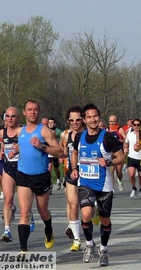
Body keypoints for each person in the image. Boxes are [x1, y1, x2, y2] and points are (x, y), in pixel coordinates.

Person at [70, 103, 124, 266]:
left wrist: (108, 161)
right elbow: (75, 153)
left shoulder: (108, 137)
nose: (93, 119)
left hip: (104, 185)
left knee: (104, 220)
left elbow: (121, 158)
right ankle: (89, 244)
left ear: (99, 117)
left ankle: (104, 249)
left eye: (95, 116)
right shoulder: (79, 137)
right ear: (85, 120)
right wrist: (74, 168)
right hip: (85, 182)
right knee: (86, 214)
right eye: (89, 117)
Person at [10, 100, 63, 255]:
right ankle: (23, 250)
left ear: (38, 112)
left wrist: (42, 146)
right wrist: (16, 151)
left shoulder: (45, 131)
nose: (32, 112)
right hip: (23, 176)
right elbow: (24, 146)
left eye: (35, 110)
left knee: (43, 211)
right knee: (24, 212)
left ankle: (48, 229)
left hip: (41, 176)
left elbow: (59, 151)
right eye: (29, 109)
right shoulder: (20, 131)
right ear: (24, 112)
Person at [60, 106, 85, 251]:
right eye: (71, 120)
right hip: (71, 172)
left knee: (87, 207)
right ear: (68, 121)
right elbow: (64, 152)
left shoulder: (89, 134)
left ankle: (93, 212)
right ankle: (76, 239)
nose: (75, 123)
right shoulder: (65, 135)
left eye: (78, 120)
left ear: (82, 120)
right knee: (73, 203)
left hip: (88, 172)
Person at [0, 107, 20, 242]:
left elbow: (27, 147)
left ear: (17, 118)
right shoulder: (2, 132)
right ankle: (7, 230)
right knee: (8, 199)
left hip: (22, 168)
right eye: (8, 116)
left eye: (13, 116)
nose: (10, 119)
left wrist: (18, 150)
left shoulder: (21, 131)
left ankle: (29, 216)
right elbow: (2, 147)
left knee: (24, 202)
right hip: (8, 167)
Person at [123, 118, 141, 199]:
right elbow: (126, 143)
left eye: (138, 125)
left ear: (140, 125)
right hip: (131, 157)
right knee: (131, 175)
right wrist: (125, 148)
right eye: (135, 125)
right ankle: (133, 188)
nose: (136, 126)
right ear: (132, 125)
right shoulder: (130, 134)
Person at [107, 115, 126, 192]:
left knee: (118, 172)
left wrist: (118, 140)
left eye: (114, 121)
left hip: (119, 152)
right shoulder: (107, 130)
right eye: (111, 121)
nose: (112, 123)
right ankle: (112, 189)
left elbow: (126, 140)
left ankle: (120, 181)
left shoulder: (120, 129)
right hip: (111, 153)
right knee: (111, 171)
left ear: (116, 121)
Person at [47, 117, 62, 190]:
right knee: (49, 168)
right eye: (49, 122)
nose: (50, 124)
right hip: (49, 151)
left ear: (55, 124)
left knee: (56, 168)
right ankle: (49, 183)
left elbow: (61, 141)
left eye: (52, 122)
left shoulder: (58, 132)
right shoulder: (45, 131)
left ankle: (59, 179)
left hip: (55, 151)